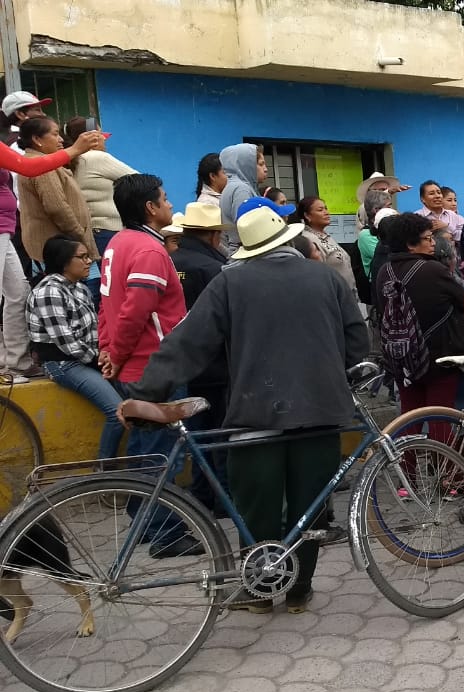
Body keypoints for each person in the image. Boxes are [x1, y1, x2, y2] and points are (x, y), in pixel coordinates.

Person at [124, 206, 368, 613]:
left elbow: (188, 343)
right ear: (288, 241)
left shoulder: (230, 283)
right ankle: (299, 590)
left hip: (256, 412)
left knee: (257, 504)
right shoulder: (325, 277)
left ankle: (258, 591)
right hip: (322, 411)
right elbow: (356, 339)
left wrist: (146, 394)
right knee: (311, 505)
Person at [102, 173, 201, 558]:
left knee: (145, 447)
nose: (170, 204)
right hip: (154, 367)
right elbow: (134, 312)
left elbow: (107, 305)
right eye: (164, 198)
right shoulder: (149, 250)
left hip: (134, 364)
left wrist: (109, 350)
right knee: (164, 452)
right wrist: (118, 352)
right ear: (149, 208)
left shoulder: (117, 243)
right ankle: (166, 534)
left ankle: (143, 520)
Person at [0, 119, 102, 384]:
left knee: (18, 293)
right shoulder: (37, 160)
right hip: (8, 229)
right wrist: (75, 149)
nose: (59, 138)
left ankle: (15, 364)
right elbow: (28, 167)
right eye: (55, 134)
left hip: (5, 229)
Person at [26, 234, 123, 459]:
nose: (89, 261)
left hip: (87, 358)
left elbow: (96, 328)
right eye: (82, 257)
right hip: (63, 363)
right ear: (63, 261)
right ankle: (105, 474)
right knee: (116, 412)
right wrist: (100, 360)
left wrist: (106, 355)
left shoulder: (79, 288)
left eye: (88, 256)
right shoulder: (49, 291)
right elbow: (67, 342)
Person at [375, 213, 464, 436]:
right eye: (428, 238)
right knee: (441, 418)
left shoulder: (384, 272)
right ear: (410, 244)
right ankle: (448, 470)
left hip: (401, 357)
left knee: (409, 418)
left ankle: (407, 470)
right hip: (438, 358)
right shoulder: (433, 270)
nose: (433, 242)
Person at [167, 202, 231, 513]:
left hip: (182, 362)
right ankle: (222, 500)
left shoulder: (170, 261)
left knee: (196, 435)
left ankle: (201, 496)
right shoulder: (213, 268)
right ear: (213, 235)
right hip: (215, 364)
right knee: (219, 436)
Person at [15, 117, 95, 270]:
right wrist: (80, 235)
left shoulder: (39, 161)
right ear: (37, 139)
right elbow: (57, 208)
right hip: (64, 254)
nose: (60, 140)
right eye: (55, 134)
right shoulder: (41, 166)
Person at [64, 117, 136, 257]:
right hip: (109, 230)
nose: (104, 138)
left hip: (93, 231)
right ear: (92, 137)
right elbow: (143, 182)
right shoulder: (95, 157)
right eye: (100, 134)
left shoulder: (74, 159)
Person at [293, 197, 357, 295]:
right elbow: (317, 275)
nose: (326, 212)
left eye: (326, 208)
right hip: (333, 296)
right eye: (320, 210)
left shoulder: (325, 236)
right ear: (307, 215)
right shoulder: (309, 240)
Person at [218, 143, 267, 255]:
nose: (265, 169)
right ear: (247, 165)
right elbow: (246, 228)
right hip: (246, 253)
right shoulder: (241, 189)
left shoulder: (233, 186)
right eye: (261, 164)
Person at [414, 180, 464, 250]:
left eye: (439, 193)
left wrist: (447, 227)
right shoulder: (417, 217)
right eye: (432, 194)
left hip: (452, 257)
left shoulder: (452, 215)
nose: (437, 196)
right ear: (423, 199)